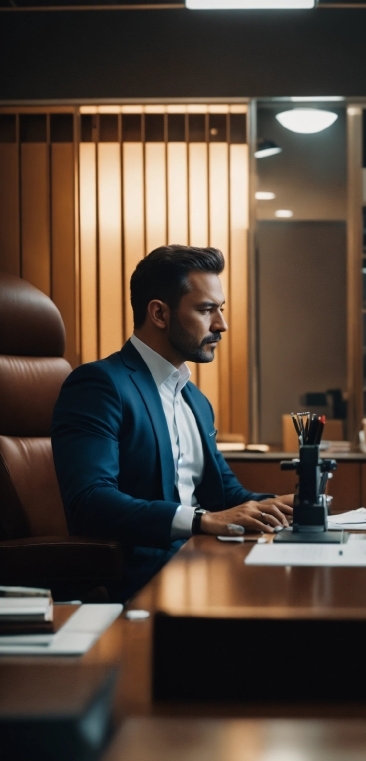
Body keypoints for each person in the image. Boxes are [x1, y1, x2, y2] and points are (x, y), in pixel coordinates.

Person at [52, 246, 293, 600]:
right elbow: (90, 501)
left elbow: (227, 496)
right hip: (142, 578)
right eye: (206, 309)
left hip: (200, 564)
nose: (221, 324)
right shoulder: (100, 385)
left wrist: (287, 507)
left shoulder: (195, 399)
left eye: (220, 309)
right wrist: (198, 521)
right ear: (160, 314)